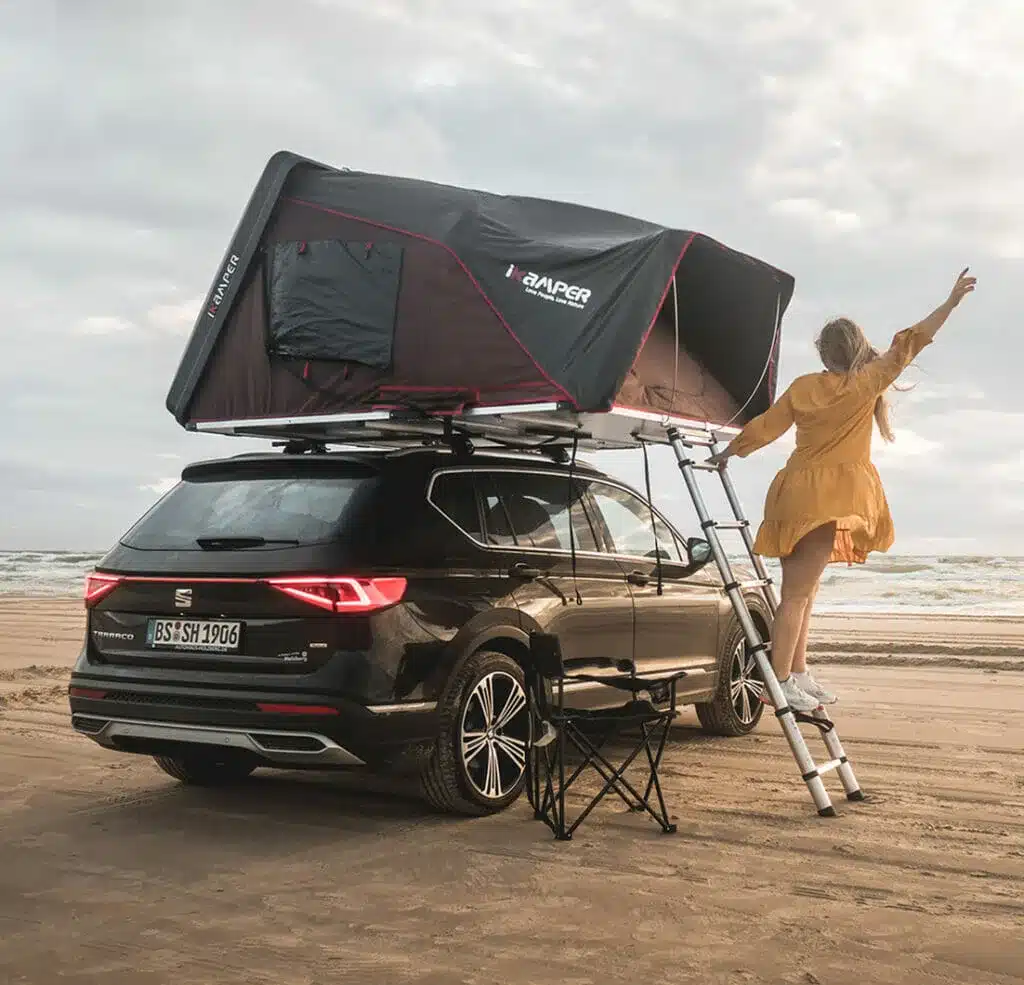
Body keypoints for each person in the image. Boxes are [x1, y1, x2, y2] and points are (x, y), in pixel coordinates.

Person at [707, 268, 977, 713]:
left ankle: (798, 672)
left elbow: (766, 428)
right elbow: (912, 340)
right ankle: (781, 681)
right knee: (796, 594)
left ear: (822, 352)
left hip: (793, 491)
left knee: (803, 591)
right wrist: (950, 303)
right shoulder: (867, 380)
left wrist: (730, 453)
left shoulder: (804, 387)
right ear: (856, 350)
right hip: (824, 498)